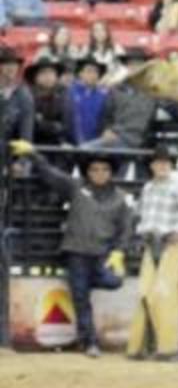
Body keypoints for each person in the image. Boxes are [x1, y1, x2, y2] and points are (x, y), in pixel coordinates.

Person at [12, 142, 130, 357]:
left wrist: (119, 251)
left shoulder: (120, 198)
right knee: (81, 300)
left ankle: (83, 284)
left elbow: (125, 229)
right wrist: (34, 154)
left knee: (115, 281)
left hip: (101, 255)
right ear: (88, 172)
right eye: (95, 169)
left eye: (104, 169)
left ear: (111, 172)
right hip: (76, 252)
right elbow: (51, 175)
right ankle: (89, 342)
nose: (100, 173)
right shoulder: (76, 187)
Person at [127, 145, 178, 362]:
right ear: (152, 166)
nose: (162, 165)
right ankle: (147, 345)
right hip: (152, 243)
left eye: (166, 162)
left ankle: (169, 347)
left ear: (171, 166)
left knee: (167, 296)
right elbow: (140, 214)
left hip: (172, 244)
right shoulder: (148, 189)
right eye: (158, 162)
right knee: (147, 293)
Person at [26, 57, 69, 152]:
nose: (48, 76)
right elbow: (31, 125)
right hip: (31, 147)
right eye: (43, 73)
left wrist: (42, 123)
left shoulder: (64, 95)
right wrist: (52, 126)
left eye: (51, 73)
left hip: (57, 148)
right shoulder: (26, 96)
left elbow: (65, 126)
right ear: (35, 77)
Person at [68, 56, 109, 144]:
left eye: (96, 71)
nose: (93, 75)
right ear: (80, 73)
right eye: (89, 71)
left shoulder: (104, 95)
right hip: (73, 144)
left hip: (97, 144)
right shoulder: (69, 92)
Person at [0, 48, 35, 145]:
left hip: (10, 150)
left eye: (14, 64)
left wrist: (23, 153)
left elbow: (26, 129)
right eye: (6, 64)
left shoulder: (24, 94)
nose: (11, 68)